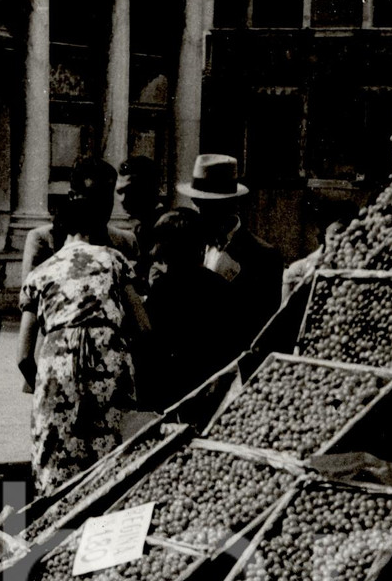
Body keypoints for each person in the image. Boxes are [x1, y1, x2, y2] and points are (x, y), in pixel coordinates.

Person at [17, 182, 149, 495]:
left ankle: (56, 516)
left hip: (56, 364)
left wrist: (47, 387)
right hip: (109, 359)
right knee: (111, 451)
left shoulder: (40, 274)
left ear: (59, 230)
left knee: (55, 454)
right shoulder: (114, 260)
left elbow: (23, 356)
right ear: (97, 227)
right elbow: (144, 327)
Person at [138, 209, 240, 412]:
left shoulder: (163, 289)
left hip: (169, 390)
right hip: (208, 388)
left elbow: (151, 344)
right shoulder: (220, 286)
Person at [178, 153, 284, 347]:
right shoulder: (190, 243)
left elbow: (263, 327)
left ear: (231, 204)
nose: (200, 212)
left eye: (209, 205)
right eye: (197, 203)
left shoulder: (264, 256)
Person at [22, 156, 139, 281]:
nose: (102, 207)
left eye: (107, 197)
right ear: (72, 196)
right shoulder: (43, 239)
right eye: (93, 198)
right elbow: (30, 289)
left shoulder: (126, 241)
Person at [116, 155, 165, 285]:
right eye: (120, 192)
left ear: (148, 189)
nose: (123, 199)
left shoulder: (166, 228)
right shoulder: (140, 226)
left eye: (130, 191)